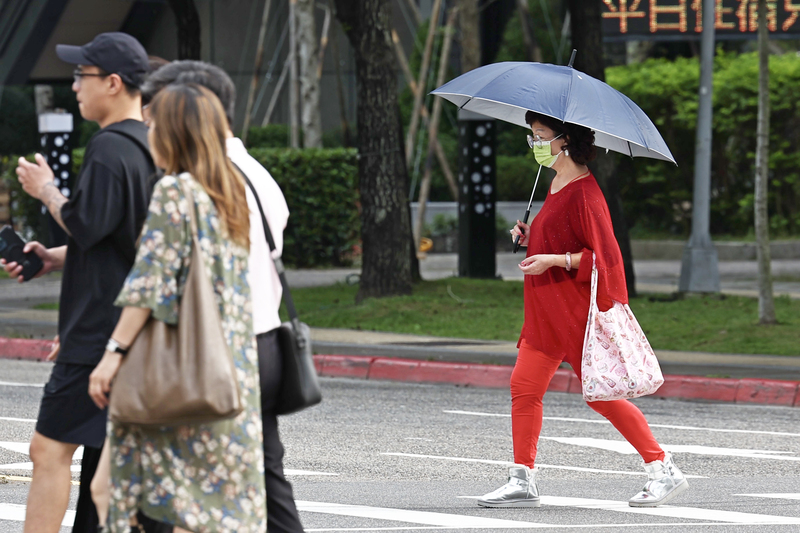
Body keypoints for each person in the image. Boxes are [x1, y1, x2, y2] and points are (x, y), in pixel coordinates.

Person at [477, 111, 688, 509]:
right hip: (544, 312)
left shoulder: (587, 194)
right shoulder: (556, 182)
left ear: (565, 140)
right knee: (524, 389)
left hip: (574, 313)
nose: (534, 144)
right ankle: (522, 478)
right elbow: (560, 235)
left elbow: (605, 258)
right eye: (532, 136)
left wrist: (553, 260)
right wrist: (531, 235)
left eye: (540, 136)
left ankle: (663, 469)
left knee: (601, 395)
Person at [87, 83, 266, 532]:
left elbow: (149, 282)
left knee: (109, 489)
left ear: (172, 133)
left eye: (153, 126)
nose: (148, 136)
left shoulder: (175, 193)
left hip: (175, 376)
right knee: (202, 512)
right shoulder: (232, 193)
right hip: (227, 375)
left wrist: (113, 354)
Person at [136, 60, 302, 533]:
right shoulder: (254, 173)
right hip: (264, 341)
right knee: (268, 483)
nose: (149, 121)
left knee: (179, 489)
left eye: (158, 110)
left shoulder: (196, 182)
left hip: (216, 351)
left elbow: (166, 280)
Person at [1, 32, 154, 533]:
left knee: (47, 450)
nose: (74, 88)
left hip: (97, 332)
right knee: (103, 464)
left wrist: (46, 191)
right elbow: (118, 237)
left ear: (112, 83)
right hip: (129, 328)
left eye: (81, 77)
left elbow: (87, 223)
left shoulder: (109, 146)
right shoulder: (149, 146)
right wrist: (51, 258)